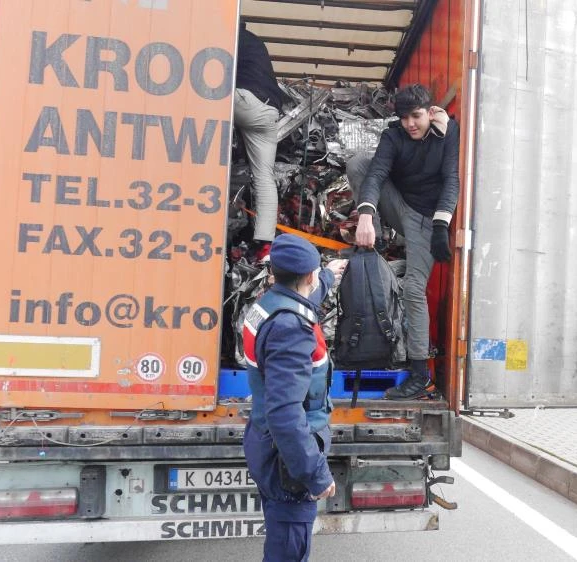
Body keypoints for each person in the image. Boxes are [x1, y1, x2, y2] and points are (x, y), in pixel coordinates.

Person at [345, 84, 460, 400]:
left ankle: (420, 375)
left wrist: (441, 226)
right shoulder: (394, 136)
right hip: (399, 207)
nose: (411, 123)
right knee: (359, 163)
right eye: (404, 117)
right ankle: (377, 242)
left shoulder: (448, 134)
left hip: (428, 219)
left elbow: (452, 180)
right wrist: (366, 217)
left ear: (431, 111)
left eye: (417, 116)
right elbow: (376, 174)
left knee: (412, 289)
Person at [241, 234, 347, 562]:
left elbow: (307, 293)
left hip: (265, 442)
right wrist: (314, 474)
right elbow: (285, 413)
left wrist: (330, 273)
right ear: (308, 275)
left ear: (274, 273)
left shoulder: (267, 304)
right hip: (287, 459)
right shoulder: (291, 328)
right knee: (288, 552)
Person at [233, 22, 288, 259]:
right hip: (269, 111)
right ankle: (265, 244)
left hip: (243, 99)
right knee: (265, 177)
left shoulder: (228, 36)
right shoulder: (256, 42)